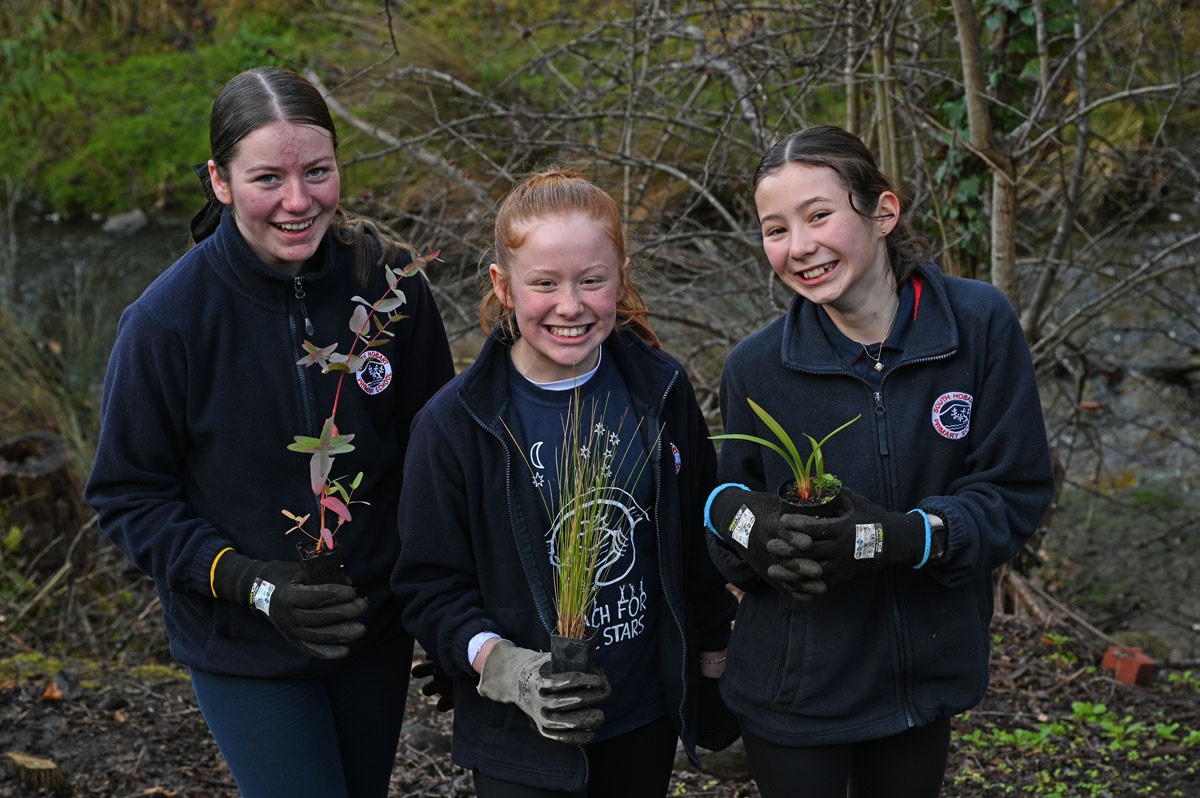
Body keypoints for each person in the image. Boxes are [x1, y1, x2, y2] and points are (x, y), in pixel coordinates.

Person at [84, 66, 455, 798]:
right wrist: (250, 584)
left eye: (318, 172)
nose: (298, 201)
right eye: (267, 179)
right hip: (243, 641)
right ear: (219, 182)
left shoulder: (391, 288)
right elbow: (128, 495)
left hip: (369, 631)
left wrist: (447, 617)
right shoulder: (166, 323)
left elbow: (436, 460)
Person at [703, 125, 1055, 798]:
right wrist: (762, 537)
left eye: (818, 216)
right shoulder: (756, 366)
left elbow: (1014, 491)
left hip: (918, 683)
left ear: (883, 213)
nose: (798, 247)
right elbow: (721, 509)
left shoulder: (977, 325)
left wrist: (904, 537)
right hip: (794, 690)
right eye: (775, 229)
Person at [392, 168, 739, 797]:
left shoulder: (659, 390)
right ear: (503, 286)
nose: (570, 306)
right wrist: (506, 669)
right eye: (544, 283)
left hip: (642, 715)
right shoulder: (455, 425)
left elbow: (696, 549)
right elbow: (427, 587)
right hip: (521, 742)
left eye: (592, 281)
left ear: (622, 276)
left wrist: (714, 674)